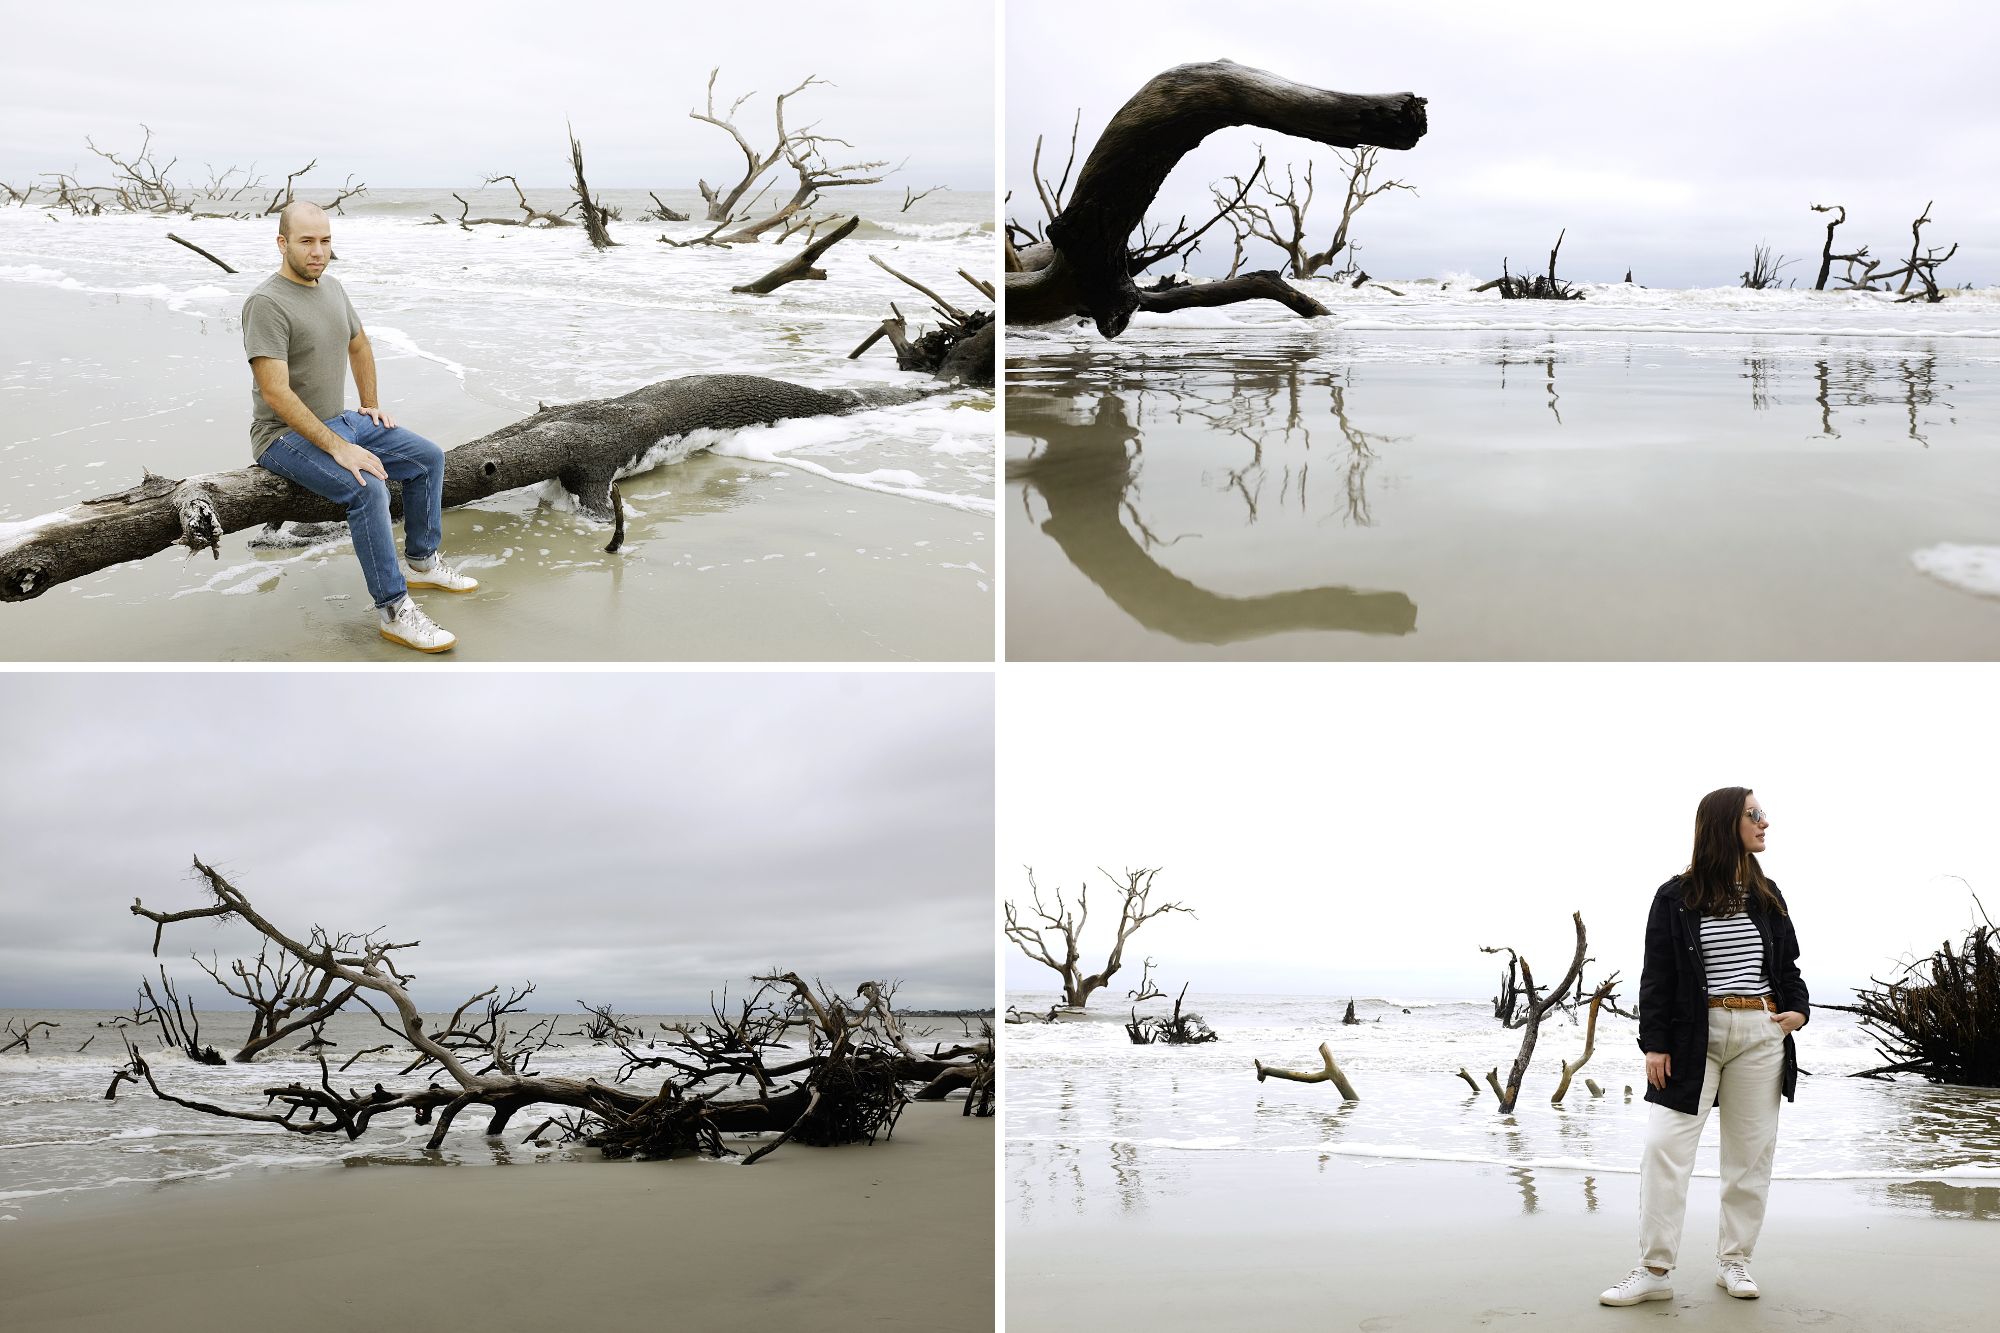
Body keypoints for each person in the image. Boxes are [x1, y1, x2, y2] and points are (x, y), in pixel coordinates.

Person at [1600, 786, 1809, 1306]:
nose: (1765, 823)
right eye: (1754, 814)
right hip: (1697, 1035)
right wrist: (1654, 1044)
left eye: (1763, 814)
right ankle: (1653, 1270)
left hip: (1761, 1034)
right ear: (1723, 823)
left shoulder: (1769, 894)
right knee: (1663, 1150)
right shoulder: (1676, 896)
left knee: (1750, 1157)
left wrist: (1798, 1010)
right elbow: (1658, 976)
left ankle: (1734, 1264)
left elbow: (1787, 968)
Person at [243, 200, 476, 652]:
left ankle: (422, 563)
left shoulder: (333, 288)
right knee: (367, 488)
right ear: (282, 243)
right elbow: (275, 393)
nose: (318, 251)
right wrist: (337, 447)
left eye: (325, 240)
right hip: (281, 437)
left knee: (426, 457)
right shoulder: (266, 303)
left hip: (341, 420)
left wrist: (369, 405)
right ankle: (393, 611)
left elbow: (360, 343)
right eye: (306, 241)